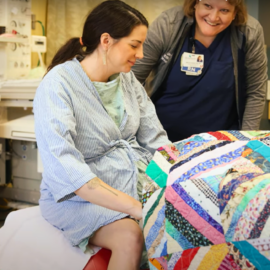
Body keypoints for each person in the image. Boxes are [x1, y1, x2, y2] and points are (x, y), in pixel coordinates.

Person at [33, 1, 170, 270]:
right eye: (134, 45)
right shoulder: (58, 85)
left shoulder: (127, 80)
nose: (141, 54)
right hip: (77, 197)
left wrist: (182, 178)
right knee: (130, 235)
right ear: (106, 40)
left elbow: (156, 140)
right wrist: (134, 206)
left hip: (132, 183)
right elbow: (66, 168)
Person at [132, 0, 268, 142]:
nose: (213, 17)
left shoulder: (248, 32)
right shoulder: (169, 24)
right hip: (163, 138)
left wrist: (245, 142)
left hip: (222, 143)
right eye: (207, 6)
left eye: (224, 10)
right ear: (195, 3)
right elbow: (132, 81)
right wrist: (144, 136)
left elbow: (255, 92)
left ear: (235, 12)